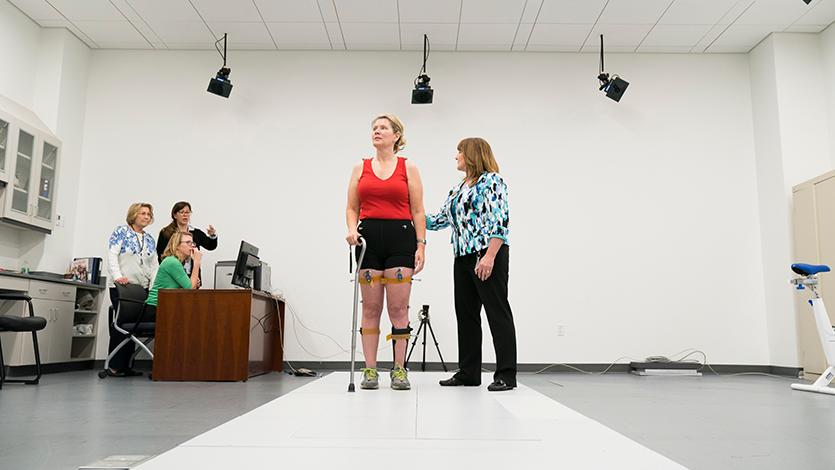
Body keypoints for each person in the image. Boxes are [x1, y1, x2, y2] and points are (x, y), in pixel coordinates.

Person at [426, 137, 517, 391]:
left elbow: (500, 221)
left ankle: (506, 375)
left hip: (488, 254)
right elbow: (440, 220)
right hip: (462, 257)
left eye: (459, 151)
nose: (456, 156)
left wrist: (489, 256)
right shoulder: (457, 189)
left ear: (472, 154)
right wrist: (414, 215)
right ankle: (469, 373)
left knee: (497, 313)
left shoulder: (492, 180)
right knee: (466, 316)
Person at [346, 113, 426, 390]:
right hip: (369, 241)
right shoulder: (360, 167)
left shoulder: (408, 167)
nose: (377, 131)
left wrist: (421, 245)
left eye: (383, 128)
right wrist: (351, 229)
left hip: (401, 240)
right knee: (370, 307)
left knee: (397, 307)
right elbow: (351, 208)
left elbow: (417, 210)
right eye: (374, 128)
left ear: (396, 135)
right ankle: (370, 370)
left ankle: (399, 369)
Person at [104, 202, 159, 377]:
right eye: (143, 213)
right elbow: (112, 255)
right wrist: (118, 276)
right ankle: (114, 366)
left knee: (132, 328)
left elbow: (154, 265)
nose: (146, 216)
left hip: (141, 289)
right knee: (121, 325)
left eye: (149, 214)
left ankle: (126, 365)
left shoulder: (149, 239)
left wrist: (152, 286)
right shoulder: (121, 232)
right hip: (122, 287)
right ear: (134, 214)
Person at [156, 201, 217, 287]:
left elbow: (210, 246)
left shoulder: (196, 232)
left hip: (193, 274)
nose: (185, 215)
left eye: (187, 212)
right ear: (175, 215)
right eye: (182, 212)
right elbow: (161, 256)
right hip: (174, 276)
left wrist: (212, 235)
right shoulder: (166, 233)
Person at [145, 231, 202, 320]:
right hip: (156, 309)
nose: (192, 246)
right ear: (177, 245)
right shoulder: (172, 262)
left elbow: (188, 287)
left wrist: (192, 282)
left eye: (192, 243)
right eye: (188, 242)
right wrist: (197, 262)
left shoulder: (177, 262)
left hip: (166, 306)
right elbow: (191, 289)